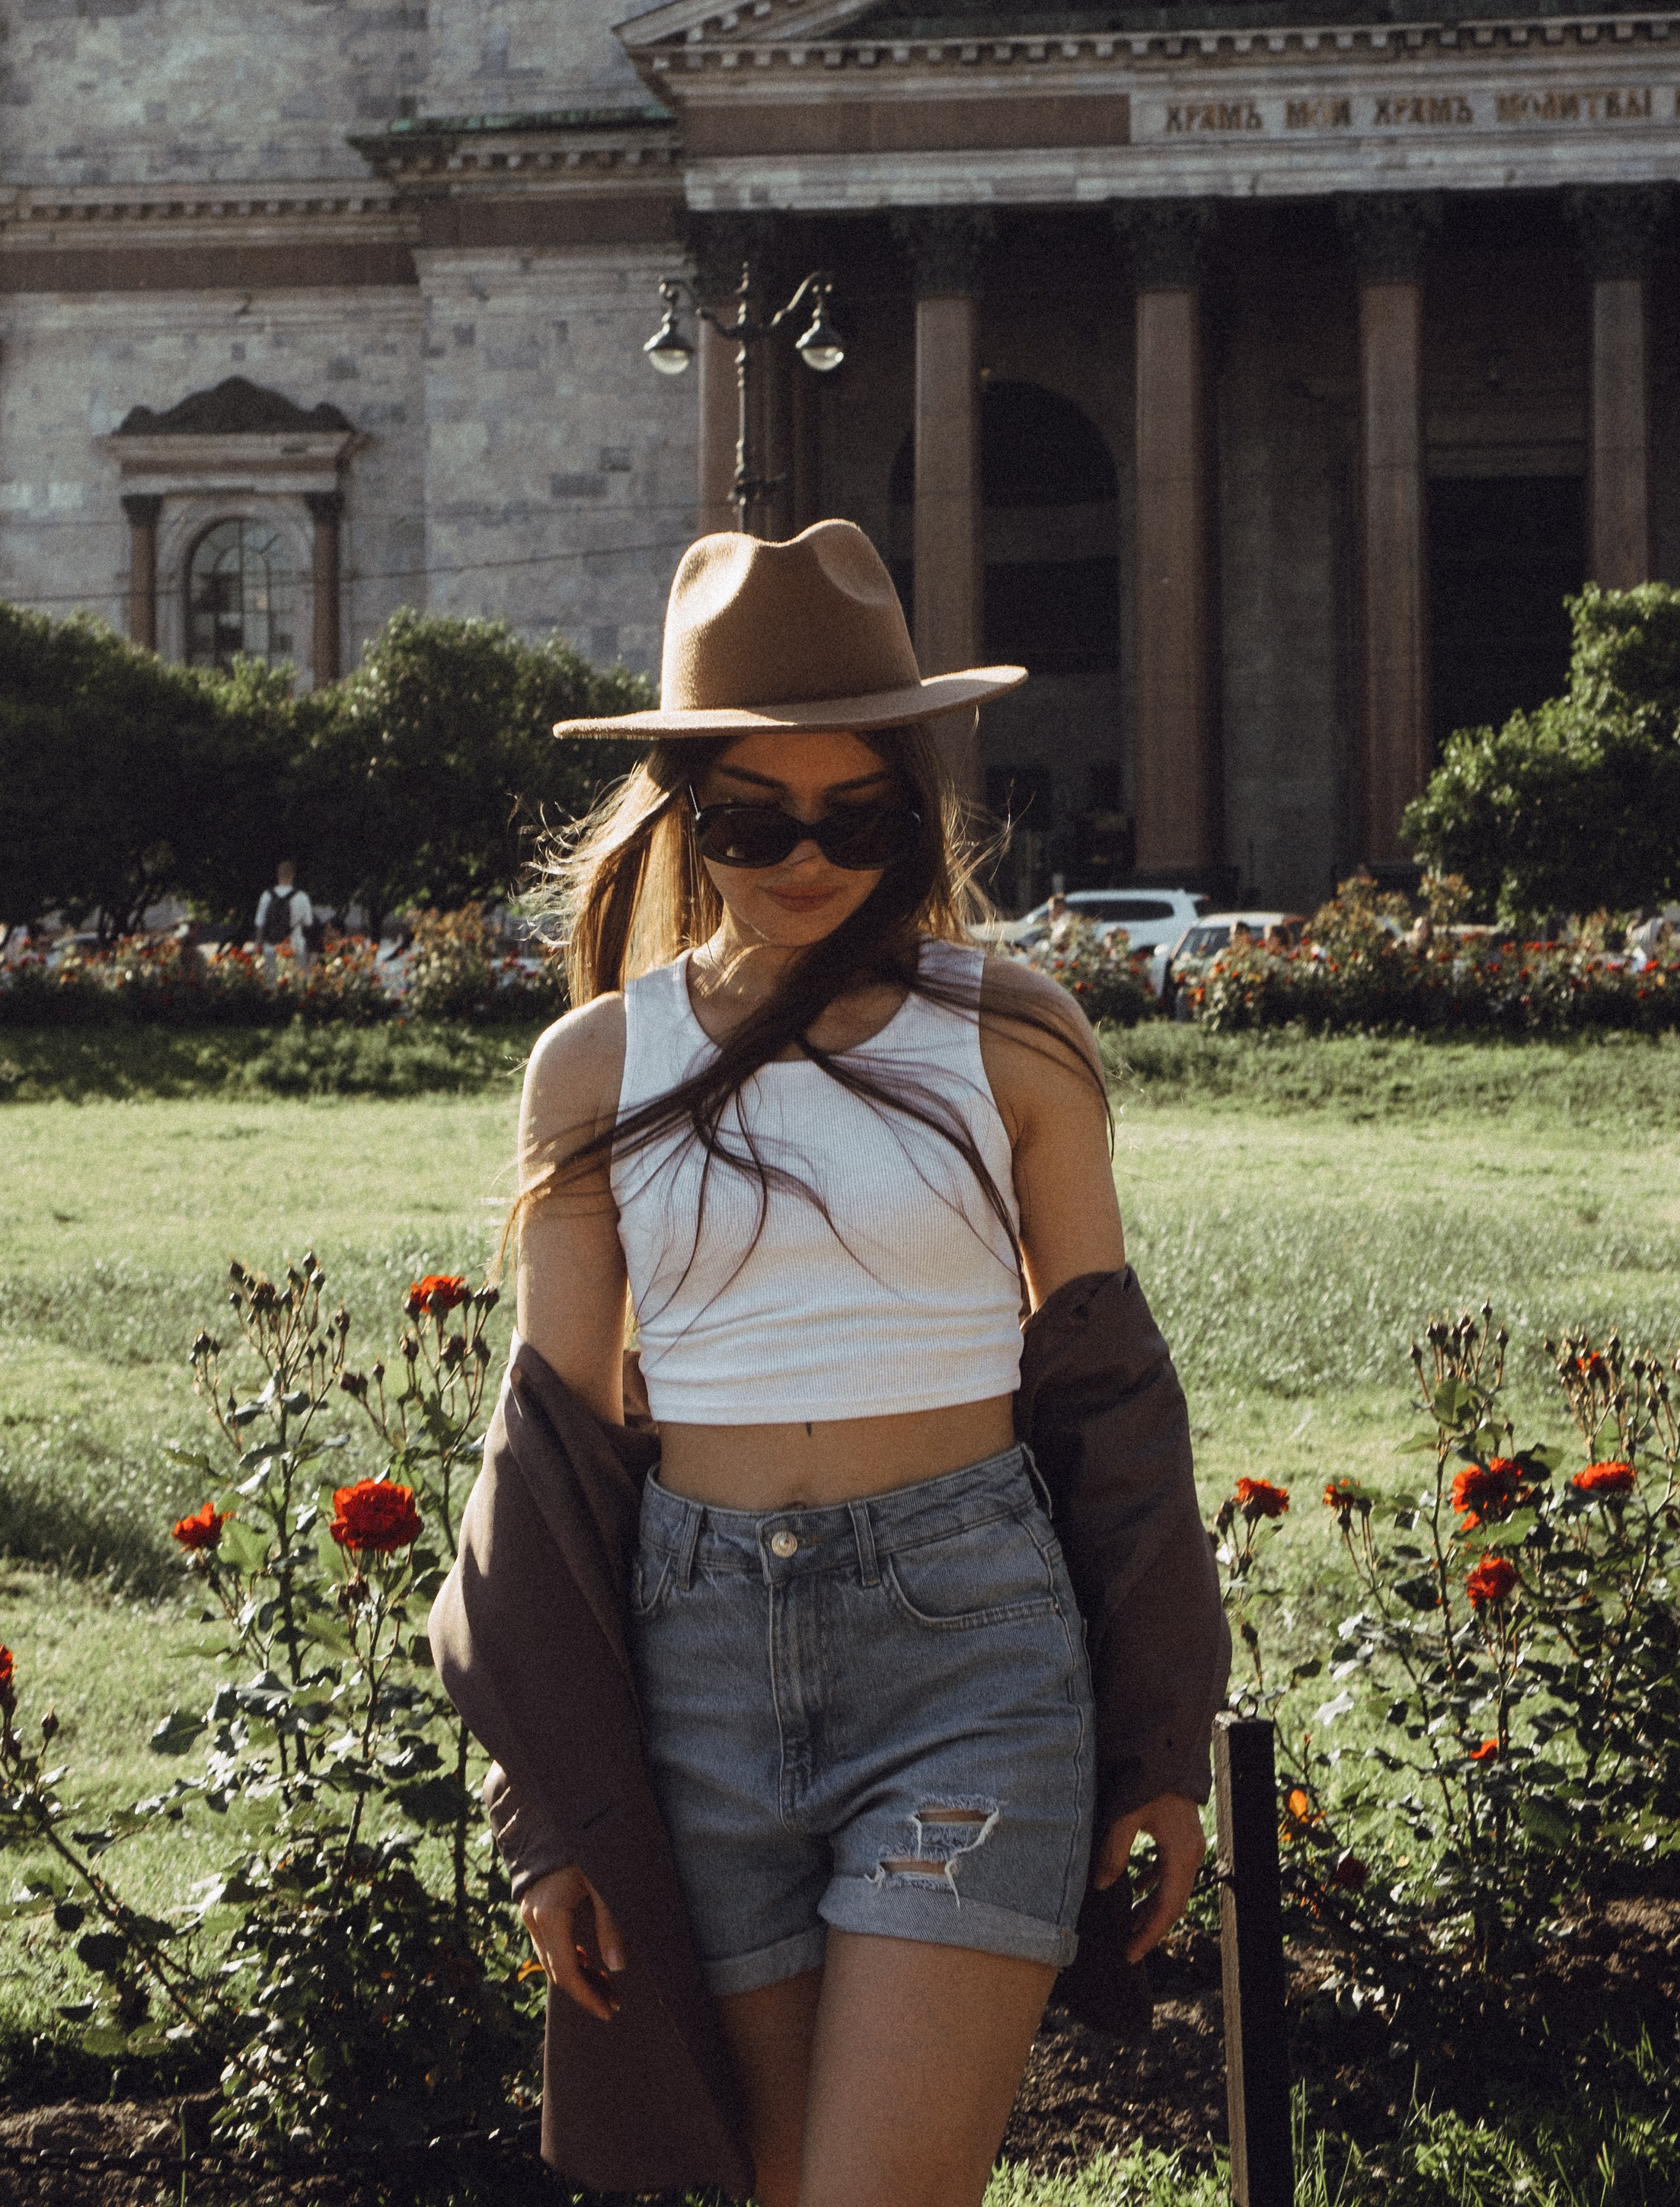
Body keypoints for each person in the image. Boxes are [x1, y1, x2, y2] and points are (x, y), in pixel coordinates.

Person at [430, 522, 1228, 2207]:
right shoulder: (593, 1067)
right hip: (693, 1669)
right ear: (682, 816)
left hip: (966, 1663)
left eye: (855, 819)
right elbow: (547, 1447)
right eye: (752, 822)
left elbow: (1102, 1384)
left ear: (916, 810)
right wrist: (544, 1809)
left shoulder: (1005, 1030)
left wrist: (1161, 1734)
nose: (806, 860)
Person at [252, 858, 311, 978]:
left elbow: (260, 925)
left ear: (278, 874)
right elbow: (308, 923)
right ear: (293, 875)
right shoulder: (302, 897)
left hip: (271, 946)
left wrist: (258, 947)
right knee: (295, 983)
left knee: (271, 982)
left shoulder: (267, 896)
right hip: (295, 946)